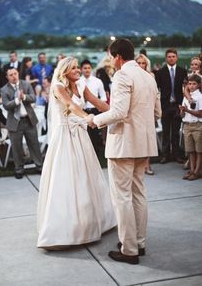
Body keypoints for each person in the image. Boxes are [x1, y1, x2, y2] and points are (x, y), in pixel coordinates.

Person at [88, 38, 161, 265]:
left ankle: (128, 250)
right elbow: (157, 112)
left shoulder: (122, 75)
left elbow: (118, 112)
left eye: (111, 56)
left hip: (123, 145)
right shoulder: (148, 77)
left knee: (122, 198)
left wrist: (94, 120)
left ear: (118, 56)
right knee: (138, 193)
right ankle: (139, 243)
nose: (110, 60)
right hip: (144, 144)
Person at [37, 57, 116, 249]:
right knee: (67, 180)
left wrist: (117, 113)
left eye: (77, 67)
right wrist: (87, 117)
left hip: (80, 136)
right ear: (64, 71)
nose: (77, 70)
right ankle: (65, 230)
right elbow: (70, 106)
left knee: (87, 179)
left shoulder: (81, 86)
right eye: (73, 68)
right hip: (65, 137)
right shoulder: (58, 87)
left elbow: (99, 103)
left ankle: (91, 222)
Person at [0, 68, 43, 179]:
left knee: (34, 144)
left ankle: (39, 166)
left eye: (15, 73)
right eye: (11, 75)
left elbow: (33, 97)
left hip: (28, 120)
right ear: (7, 77)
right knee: (17, 147)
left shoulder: (26, 84)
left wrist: (23, 97)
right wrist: (17, 100)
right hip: (15, 122)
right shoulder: (4, 90)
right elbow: (6, 105)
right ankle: (19, 169)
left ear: (18, 74)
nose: (14, 76)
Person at [155, 48, 187, 164]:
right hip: (165, 105)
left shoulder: (182, 71)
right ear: (166, 58)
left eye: (173, 56)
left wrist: (183, 104)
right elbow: (156, 90)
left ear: (176, 57)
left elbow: (186, 89)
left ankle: (176, 155)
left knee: (175, 132)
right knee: (165, 131)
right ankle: (165, 155)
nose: (171, 58)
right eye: (169, 56)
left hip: (178, 105)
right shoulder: (160, 72)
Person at [79, 59, 107, 156]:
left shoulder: (97, 81)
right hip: (82, 110)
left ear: (91, 69)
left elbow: (103, 96)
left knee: (95, 135)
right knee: (84, 134)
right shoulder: (78, 81)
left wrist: (100, 106)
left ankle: (96, 155)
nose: (87, 70)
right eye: (85, 68)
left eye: (89, 68)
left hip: (95, 110)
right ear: (81, 69)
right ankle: (85, 154)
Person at [135, 53, 155, 175]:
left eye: (144, 63)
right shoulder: (131, 76)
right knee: (138, 139)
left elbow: (155, 94)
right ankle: (138, 165)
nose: (141, 65)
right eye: (139, 63)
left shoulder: (151, 75)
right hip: (136, 111)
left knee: (147, 139)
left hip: (148, 109)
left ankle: (147, 165)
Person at [179, 74, 202, 181]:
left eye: (194, 84)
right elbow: (182, 115)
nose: (191, 86)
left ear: (198, 85)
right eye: (190, 84)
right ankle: (192, 170)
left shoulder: (200, 97)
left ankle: (197, 171)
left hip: (197, 126)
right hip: (187, 125)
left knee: (199, 151)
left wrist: (188, 110)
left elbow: (200, 113)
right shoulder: (186, 97)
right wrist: (183, 111)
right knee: (190, 150)